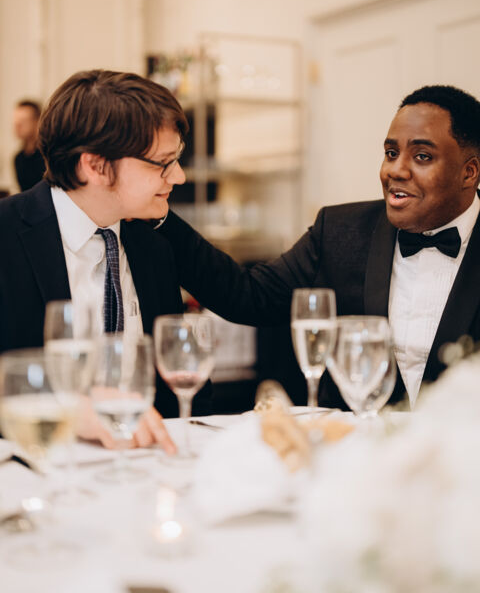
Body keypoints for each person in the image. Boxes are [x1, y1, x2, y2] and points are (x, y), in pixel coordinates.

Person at [157, 84, 480, 409]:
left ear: (469, 172)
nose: (396, 170)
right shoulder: (340, 231)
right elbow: (249, 295)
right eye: (391, 153)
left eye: (422, 156)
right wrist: (161, 218)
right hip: (355, 438)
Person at [0, 69, 211, 450]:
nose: (178, 176)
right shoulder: (6, 234)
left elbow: (179, 392)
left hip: (144, 468)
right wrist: (66, 406)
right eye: (162, 163)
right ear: (95, 166)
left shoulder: (154, 244)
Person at [12, 99, 46, 191]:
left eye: (23, 121)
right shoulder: (19, 158)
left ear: (37, 122)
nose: (17, 125)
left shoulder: (47, 157)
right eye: (16, 121)